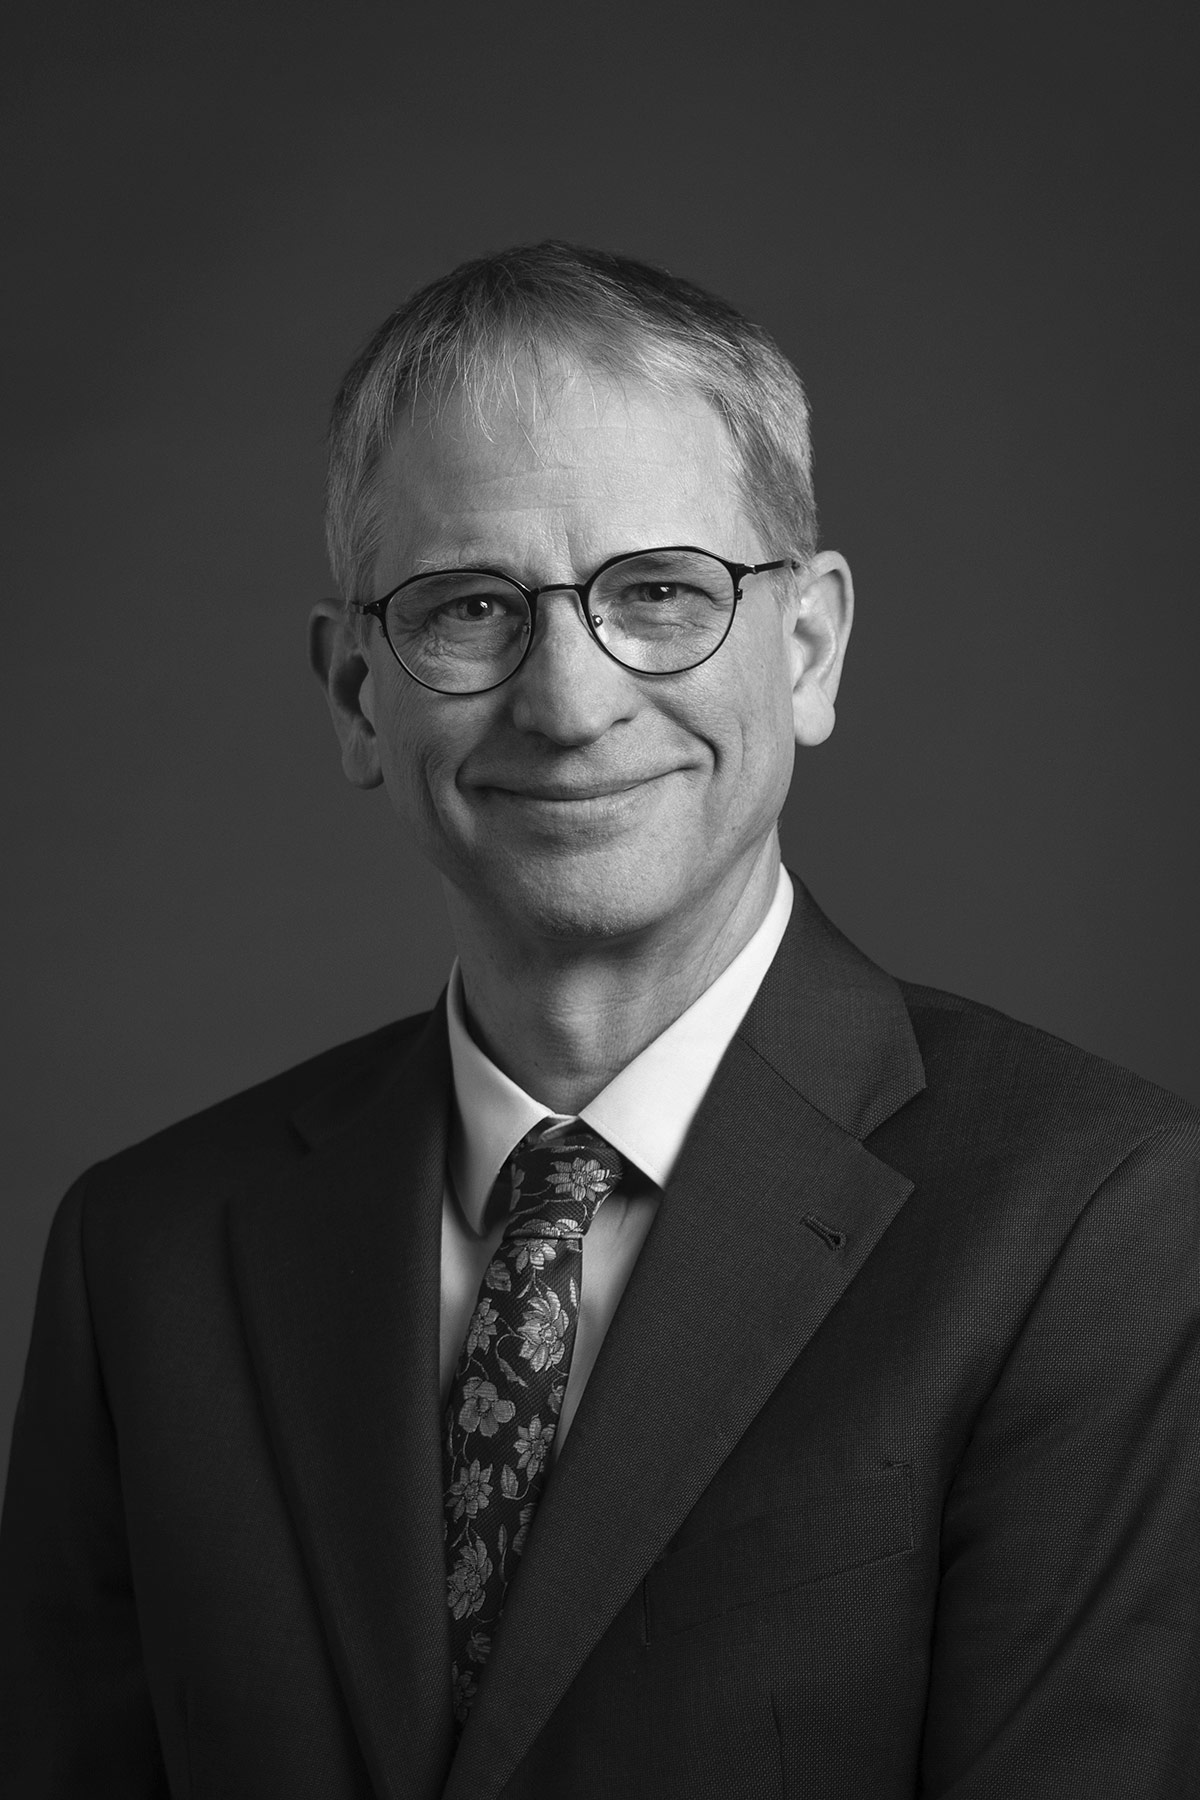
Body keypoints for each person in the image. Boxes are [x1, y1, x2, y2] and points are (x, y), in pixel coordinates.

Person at [1, 241, 1197, 1800]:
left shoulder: (1094, 1227)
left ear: (811, 648)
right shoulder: (145, 1255)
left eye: (660, 595)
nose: (568, 700)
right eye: (470, 608)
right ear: (360, 695)